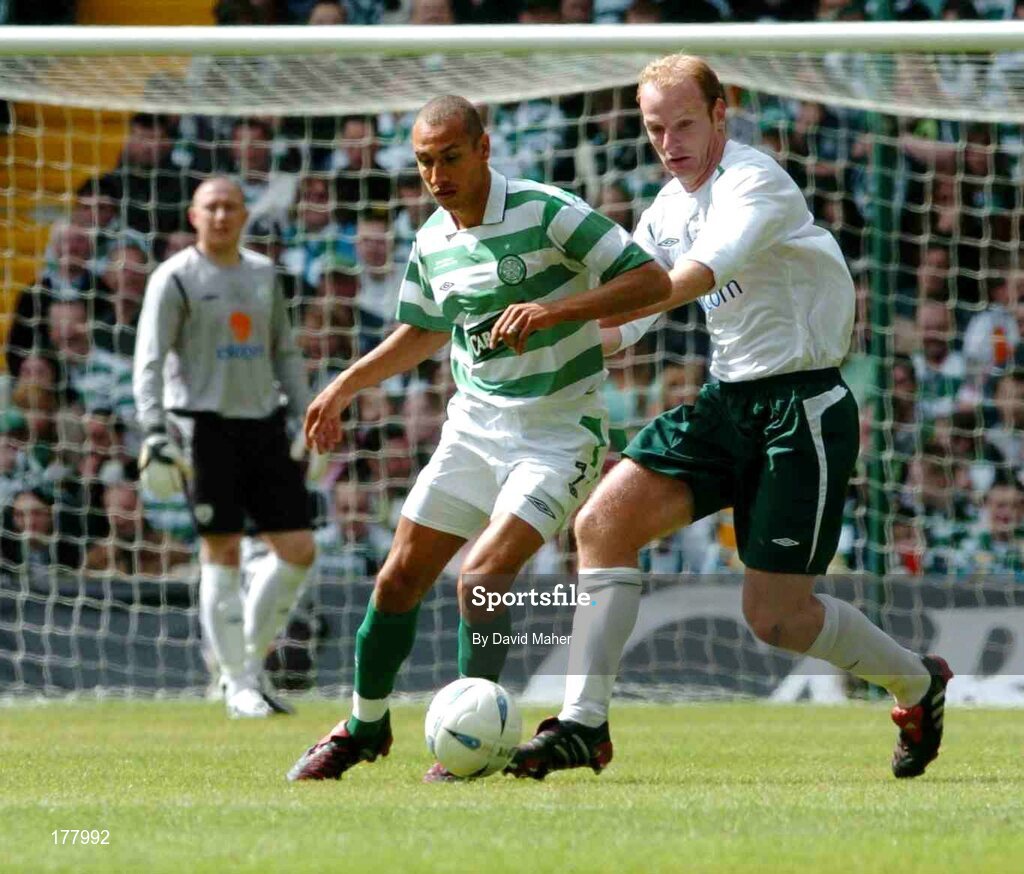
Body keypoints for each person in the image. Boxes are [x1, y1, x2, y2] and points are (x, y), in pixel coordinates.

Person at [507, 55, 953, 782]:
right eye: (656, 128)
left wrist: (561, 308)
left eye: (685, 123)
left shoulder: (755, 181)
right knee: (600, 524)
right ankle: (584, 725)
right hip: (726, 400)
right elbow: (633, 321)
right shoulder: (665, 209)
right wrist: (547, 343)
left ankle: (917, 684)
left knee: (775, 618)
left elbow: (691, 279)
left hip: (801, 406)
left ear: (722, 113)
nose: (670, 141)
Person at [286, 94, 668, 783]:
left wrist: (557, 311)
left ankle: (473, 748)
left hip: (558, 430)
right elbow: (426, 330)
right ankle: (364, 727)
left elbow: (651, 279)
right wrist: (345, 384)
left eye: (451, 157)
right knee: (398, 576)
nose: (438, 175)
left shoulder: (548, 211)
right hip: (474, 426)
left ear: (484, 148)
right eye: (426, 162)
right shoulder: (433, 237)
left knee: (483, 579)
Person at [133, 176, 318, 720]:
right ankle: (239, 682)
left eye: (230, 207)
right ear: (193, 216)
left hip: (265, 425)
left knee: (299, 549)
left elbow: (284, 352)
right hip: (202, 427)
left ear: (244, 215)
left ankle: (241, 668)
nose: (220, 216)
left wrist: (308, 417)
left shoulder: (264, 274)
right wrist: (153, 431)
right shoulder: (175, 278)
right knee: (223, 550)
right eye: (210, 207)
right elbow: (148, 360)